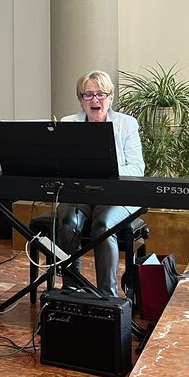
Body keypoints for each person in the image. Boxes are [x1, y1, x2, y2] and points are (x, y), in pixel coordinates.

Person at [55, 70, 145, 297]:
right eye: (88, 94)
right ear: (80, 99)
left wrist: (108, 170)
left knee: (103, 227)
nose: (94, 99)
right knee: (67, 222)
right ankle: (72, 288)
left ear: (110, 97)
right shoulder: (68, 123)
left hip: (118, 194)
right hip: (80, 193)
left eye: (100, 94)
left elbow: (137, 168)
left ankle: (107, 296)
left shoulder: (126, 124)